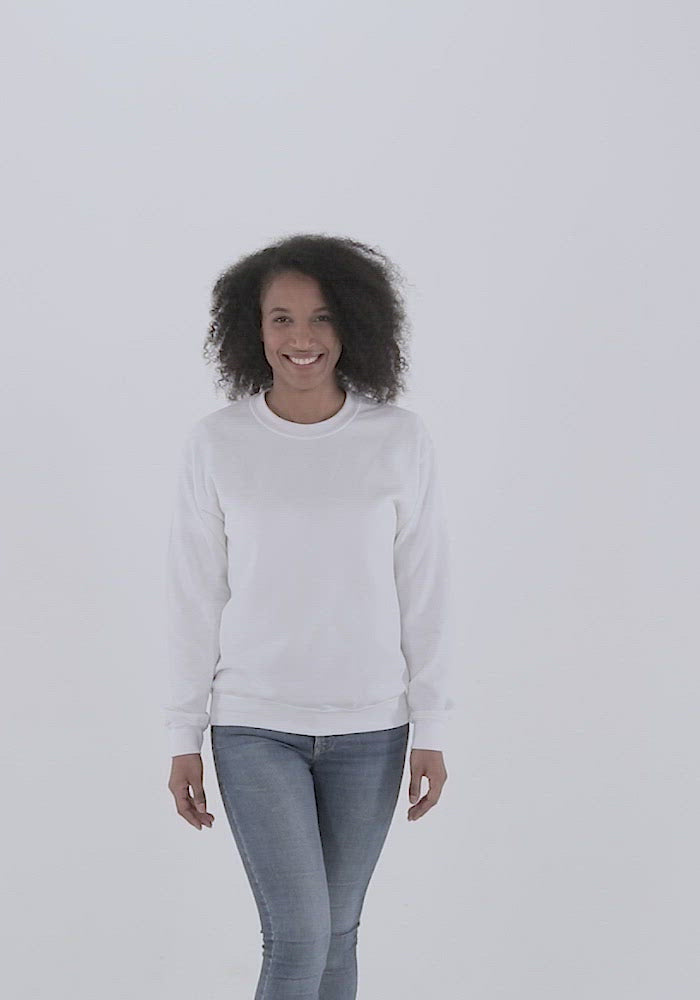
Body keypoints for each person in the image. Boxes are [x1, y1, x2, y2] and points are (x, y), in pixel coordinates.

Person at [164, 233, 455, 999]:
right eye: (282, 318)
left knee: (337, 935)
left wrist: (433, 724)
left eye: (322, 317)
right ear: (252, 329)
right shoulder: (218, 443)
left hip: (373, 729)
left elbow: (426, 587)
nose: (302, 338)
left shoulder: (398, 439)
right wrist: (182, 734)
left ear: (354, 323)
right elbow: (194, 593)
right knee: (297, 935)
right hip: (254, 725)